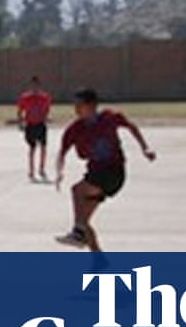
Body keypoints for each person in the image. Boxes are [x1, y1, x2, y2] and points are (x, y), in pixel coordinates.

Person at [54, 88, 156, 253]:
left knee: (77, 190)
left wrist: (145, 148)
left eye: (80, 105)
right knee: (84, 220)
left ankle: (78, 233)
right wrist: (59, 172)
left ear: (92, 106)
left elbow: (131, 127)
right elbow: (62, 152)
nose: (76, 109)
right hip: (95, 173)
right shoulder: (74, 129)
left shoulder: (109, 118)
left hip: (113, 171)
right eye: (75, 105)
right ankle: (97, 257)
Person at [17, 76, 53, 181]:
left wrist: (45, 117)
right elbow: (20, 111)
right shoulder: (25, 97)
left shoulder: (45, 98)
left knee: (43, 147)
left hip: (40, 124)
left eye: (37, 85)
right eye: (33, 85)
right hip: (30, 125)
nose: (35, 87)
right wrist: (20, 122)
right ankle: (31, 170)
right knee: (32, 148)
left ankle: (41, 169)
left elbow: (47, 109)